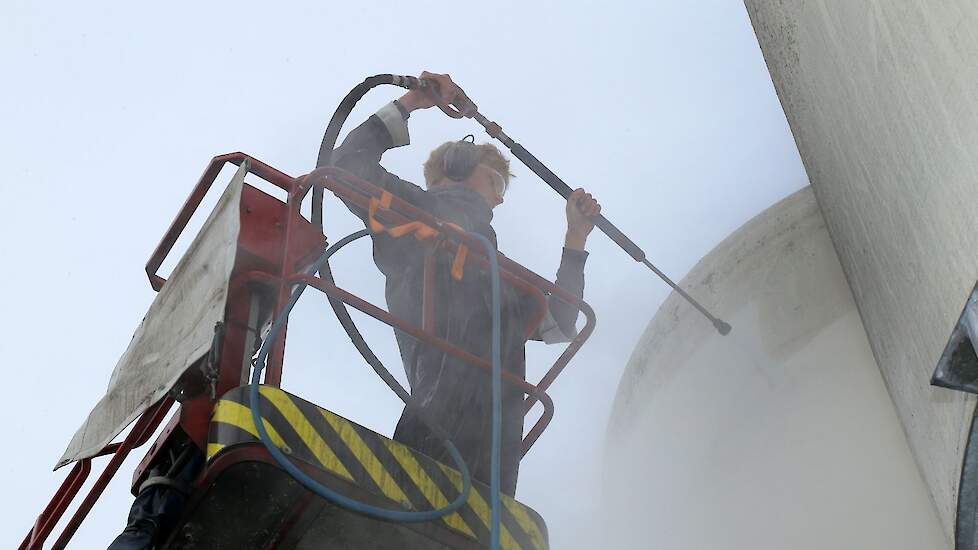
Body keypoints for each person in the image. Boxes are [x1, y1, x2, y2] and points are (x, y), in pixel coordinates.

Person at [319, 72, 600, 496]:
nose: (501, 198)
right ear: (459, 167)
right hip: (436, 425)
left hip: (496, 460)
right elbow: (342, 169)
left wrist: (575, 240)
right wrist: (411, 102)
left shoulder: (503, 279)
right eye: (498, 181)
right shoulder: (412, 217)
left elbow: (561, 324)